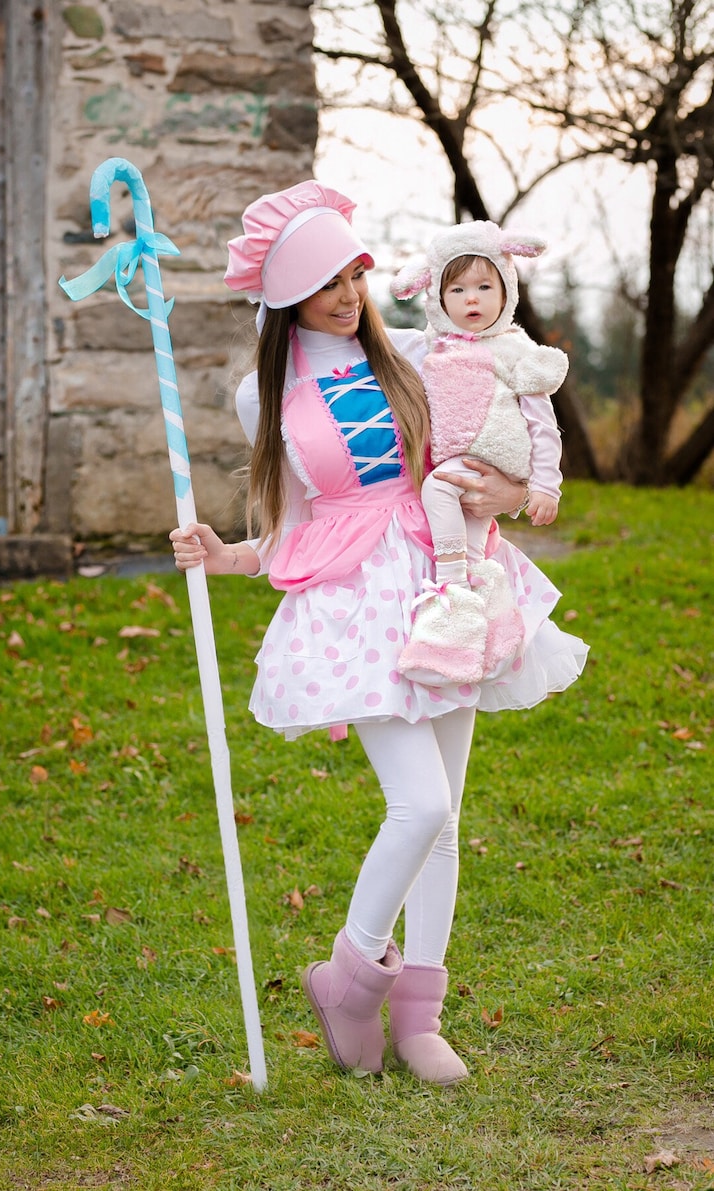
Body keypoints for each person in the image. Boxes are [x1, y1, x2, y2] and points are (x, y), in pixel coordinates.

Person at [170, 181, 587, 1087]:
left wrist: (517, 491)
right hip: (355, 604)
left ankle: (418, 1018)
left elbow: (489, 441)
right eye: (327, 282)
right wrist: (225, 554)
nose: (348, 295)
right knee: (419, 803)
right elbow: (292, 522)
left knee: (448, 817)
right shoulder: (263, 394)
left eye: (355, 274)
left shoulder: (415, 352)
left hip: (448, 580)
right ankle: (350, 982)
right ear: (288, 295)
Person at [390, 220, 570, 688]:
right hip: (463, 458)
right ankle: (483, 633)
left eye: (485, 286)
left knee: (439, 489)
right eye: (457, 289)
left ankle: (449, 588)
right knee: (475, 547)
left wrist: (545, 486)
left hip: (492, 456)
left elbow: (543, 424)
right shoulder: (434, 349)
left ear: (506, 288)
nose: (472, 299)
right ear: (437, 298)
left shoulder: (515, 349)